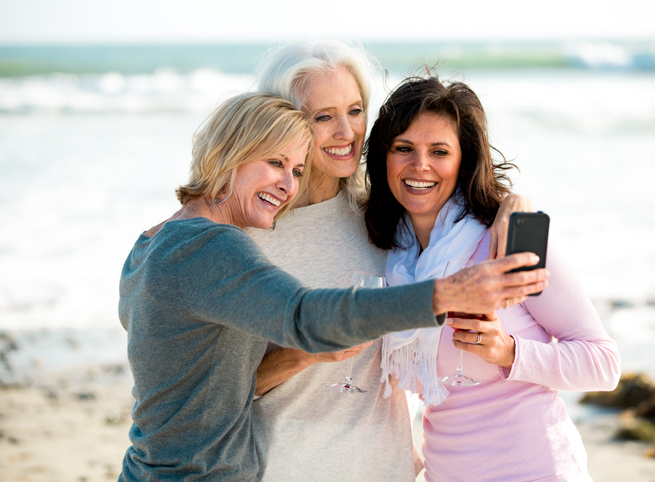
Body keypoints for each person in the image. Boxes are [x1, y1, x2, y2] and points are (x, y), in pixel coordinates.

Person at [117, 91, 549, 481]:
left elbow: (198, 380)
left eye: (297, 170)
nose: (287, 185)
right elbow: (303, 315)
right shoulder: (211, 247)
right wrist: (448, 293)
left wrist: (510, 200)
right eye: (274, 163)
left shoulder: (152, 243)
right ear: (230, 154)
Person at [248, 40, 535, 481]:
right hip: (286, 466)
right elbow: (220, 390)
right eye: (323, 116)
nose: (347, 133)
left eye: (356, 110)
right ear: (282, 120)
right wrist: (303, 353)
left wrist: (516, 203)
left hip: (387, 467)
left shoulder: (381, 217)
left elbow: (453, 196)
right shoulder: (251, 235)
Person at [364, 76, 621, 482]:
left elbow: (603, 364)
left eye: (439, 151)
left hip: (536, 470)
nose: (420, 166)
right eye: (403, 148)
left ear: (463, 161)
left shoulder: (506, 238)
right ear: (383, 156)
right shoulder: (390, 257)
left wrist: (509, 351)